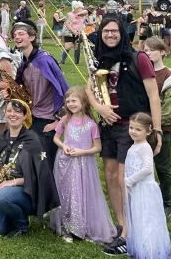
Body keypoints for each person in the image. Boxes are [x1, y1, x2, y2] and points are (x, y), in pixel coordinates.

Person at [87, 16, 163, 257]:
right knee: (110, 176)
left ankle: (128, 234)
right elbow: (90, 88)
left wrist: (157, 130)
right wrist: (99, 109)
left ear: (122, 32)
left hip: (130, 127)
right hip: (108, 125)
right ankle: (122, 226)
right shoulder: (100, 58)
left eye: (114, 31)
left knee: (124, 179)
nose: (110, 35)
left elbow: (153, 96)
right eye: (105, 31)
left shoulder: (138, 57)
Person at [0, 99, 60, 237]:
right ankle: (12, 212)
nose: (13, 114)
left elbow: (39, 176)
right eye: (9, 111)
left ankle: (22, 224)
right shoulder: (3, 138)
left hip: (28, 192)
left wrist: (11, 183)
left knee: (2, 196)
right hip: (4, 189)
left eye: (17, 111)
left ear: (25, 116)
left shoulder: (34, 140)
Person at [50, 87, 116, 244]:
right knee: (67, 194)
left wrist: (82, 151)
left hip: (84, 165)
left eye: (74, 100)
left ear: (83, 101)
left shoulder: (91, 124)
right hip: (66, 163)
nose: (71, 104)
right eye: (68, 101)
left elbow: (97, 147)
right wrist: (63, 146)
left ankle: (82, 227)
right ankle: (67, 227)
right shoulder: (65, 120)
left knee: (81, 194)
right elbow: (56, 138)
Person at [12, 20, 69, 166]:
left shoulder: (45, 60)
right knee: (33, 161)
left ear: (31, 37)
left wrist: (59, 120)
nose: (17, 37)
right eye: (14, 35)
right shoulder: (24, 63)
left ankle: (48, 189)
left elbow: (64, 90)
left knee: (45, 164)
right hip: (33, 118)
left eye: (21, 34)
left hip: (48, 120)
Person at [119, 112, 171, 259]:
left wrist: (129, 181)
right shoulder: (134, 146)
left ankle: (149, 252)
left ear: (148, 131)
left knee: (146, 220)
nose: (133, 132)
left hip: (144, 190)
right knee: (136, 219)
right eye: (131, 128)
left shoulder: (144, 147)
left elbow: (147, 169)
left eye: (138, 129)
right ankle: (138, 250)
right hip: (136, 190)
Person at [143, 37, 171, 218]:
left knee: (163, 168)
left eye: (152, 50)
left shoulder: (169, 76)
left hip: (162, 130)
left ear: (163, 52)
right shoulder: (141, 72)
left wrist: (150, 124)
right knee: (141, 166)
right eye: (146, 50)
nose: (148, 53)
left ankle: (167, 203)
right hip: (140, 131)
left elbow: (168, 111)